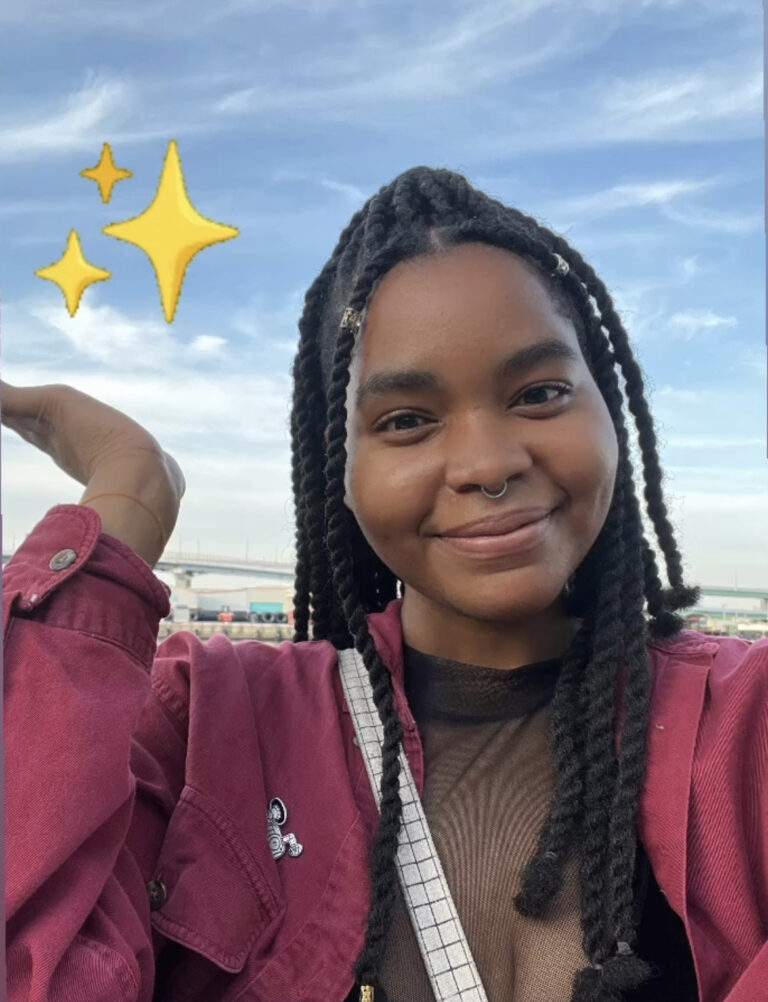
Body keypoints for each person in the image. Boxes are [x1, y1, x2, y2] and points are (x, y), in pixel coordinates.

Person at [3, 166, 767, 1002]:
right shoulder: (203, 729)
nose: (488, 464)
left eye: (540, 393)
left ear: (609, 411)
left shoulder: (748, 725)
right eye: (406, 420)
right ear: (343, 465)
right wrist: (125, 502)